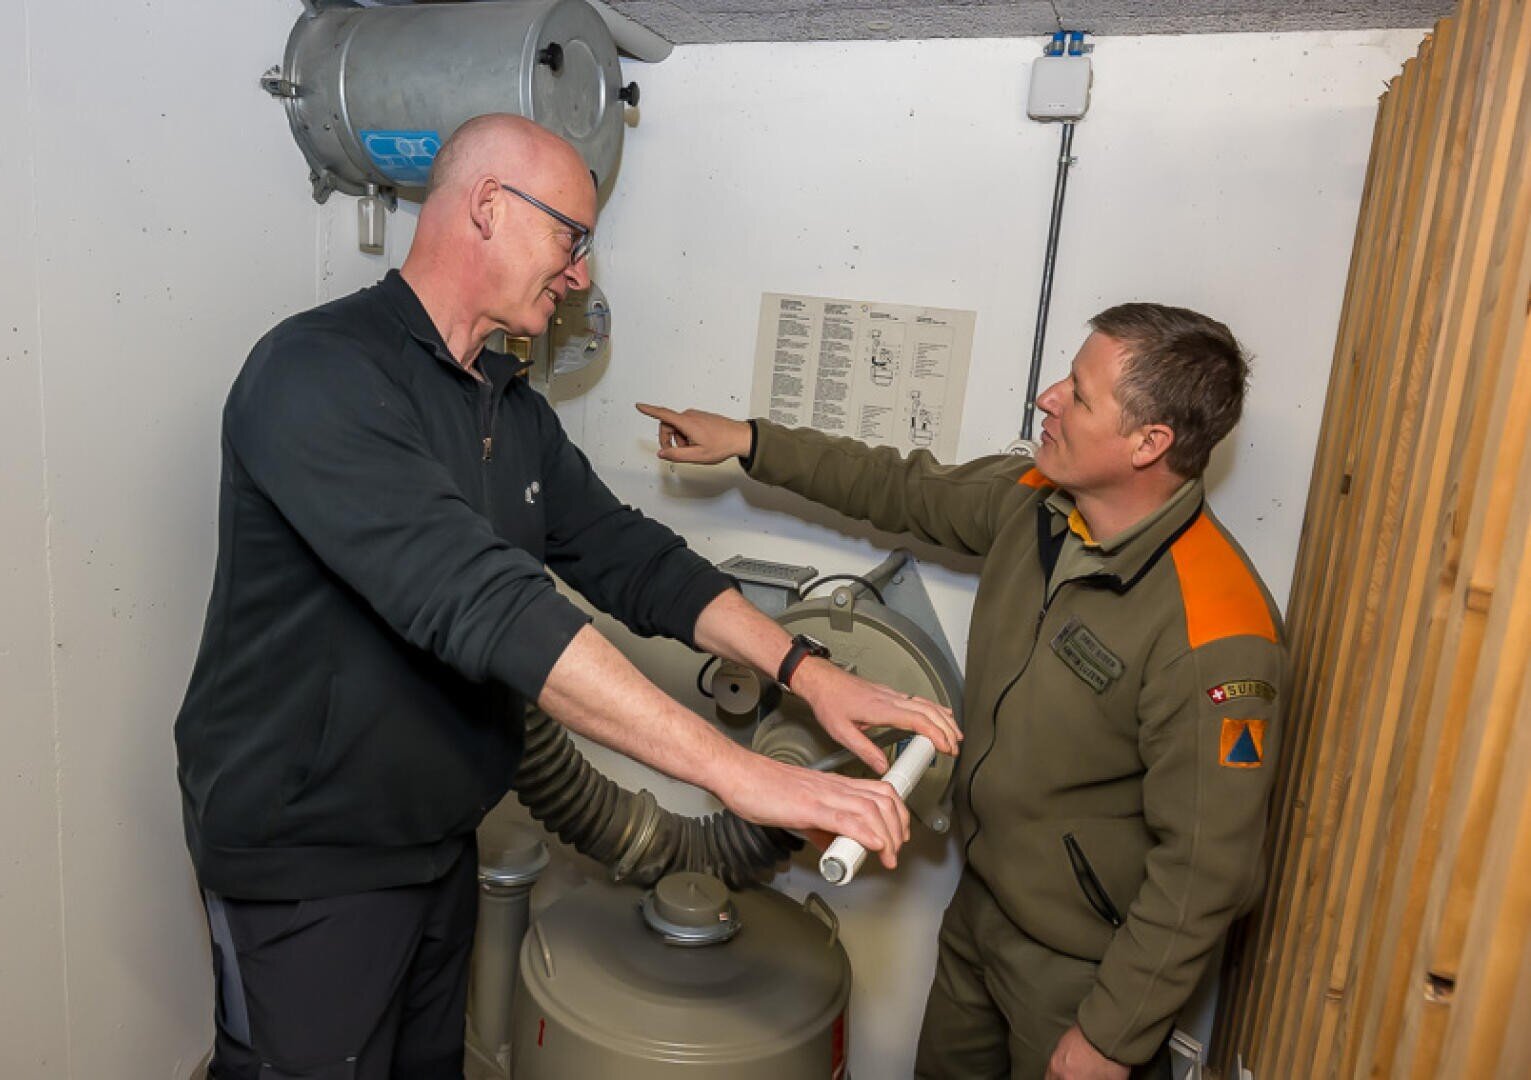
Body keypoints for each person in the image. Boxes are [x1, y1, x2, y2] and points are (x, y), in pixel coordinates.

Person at [174, 113, 960, 1080]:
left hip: (432, 840)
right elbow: (486, 601)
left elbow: (631, 558)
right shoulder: (316, 374)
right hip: (307, 859)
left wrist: (805, 668)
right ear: (489, 210)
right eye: (570, 237)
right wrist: (740, 774)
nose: (581, 274)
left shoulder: (507, 407)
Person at [640, 303, 1285, 1080]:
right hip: (978, 915)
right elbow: (899, 488)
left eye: (1078, 395)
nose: (1047, 397)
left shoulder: (1214, 629)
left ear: (1150, 443)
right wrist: (751, 443)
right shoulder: (1038, 501)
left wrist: (1112, 1037)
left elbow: (1204, 872)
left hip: (1084, 971)